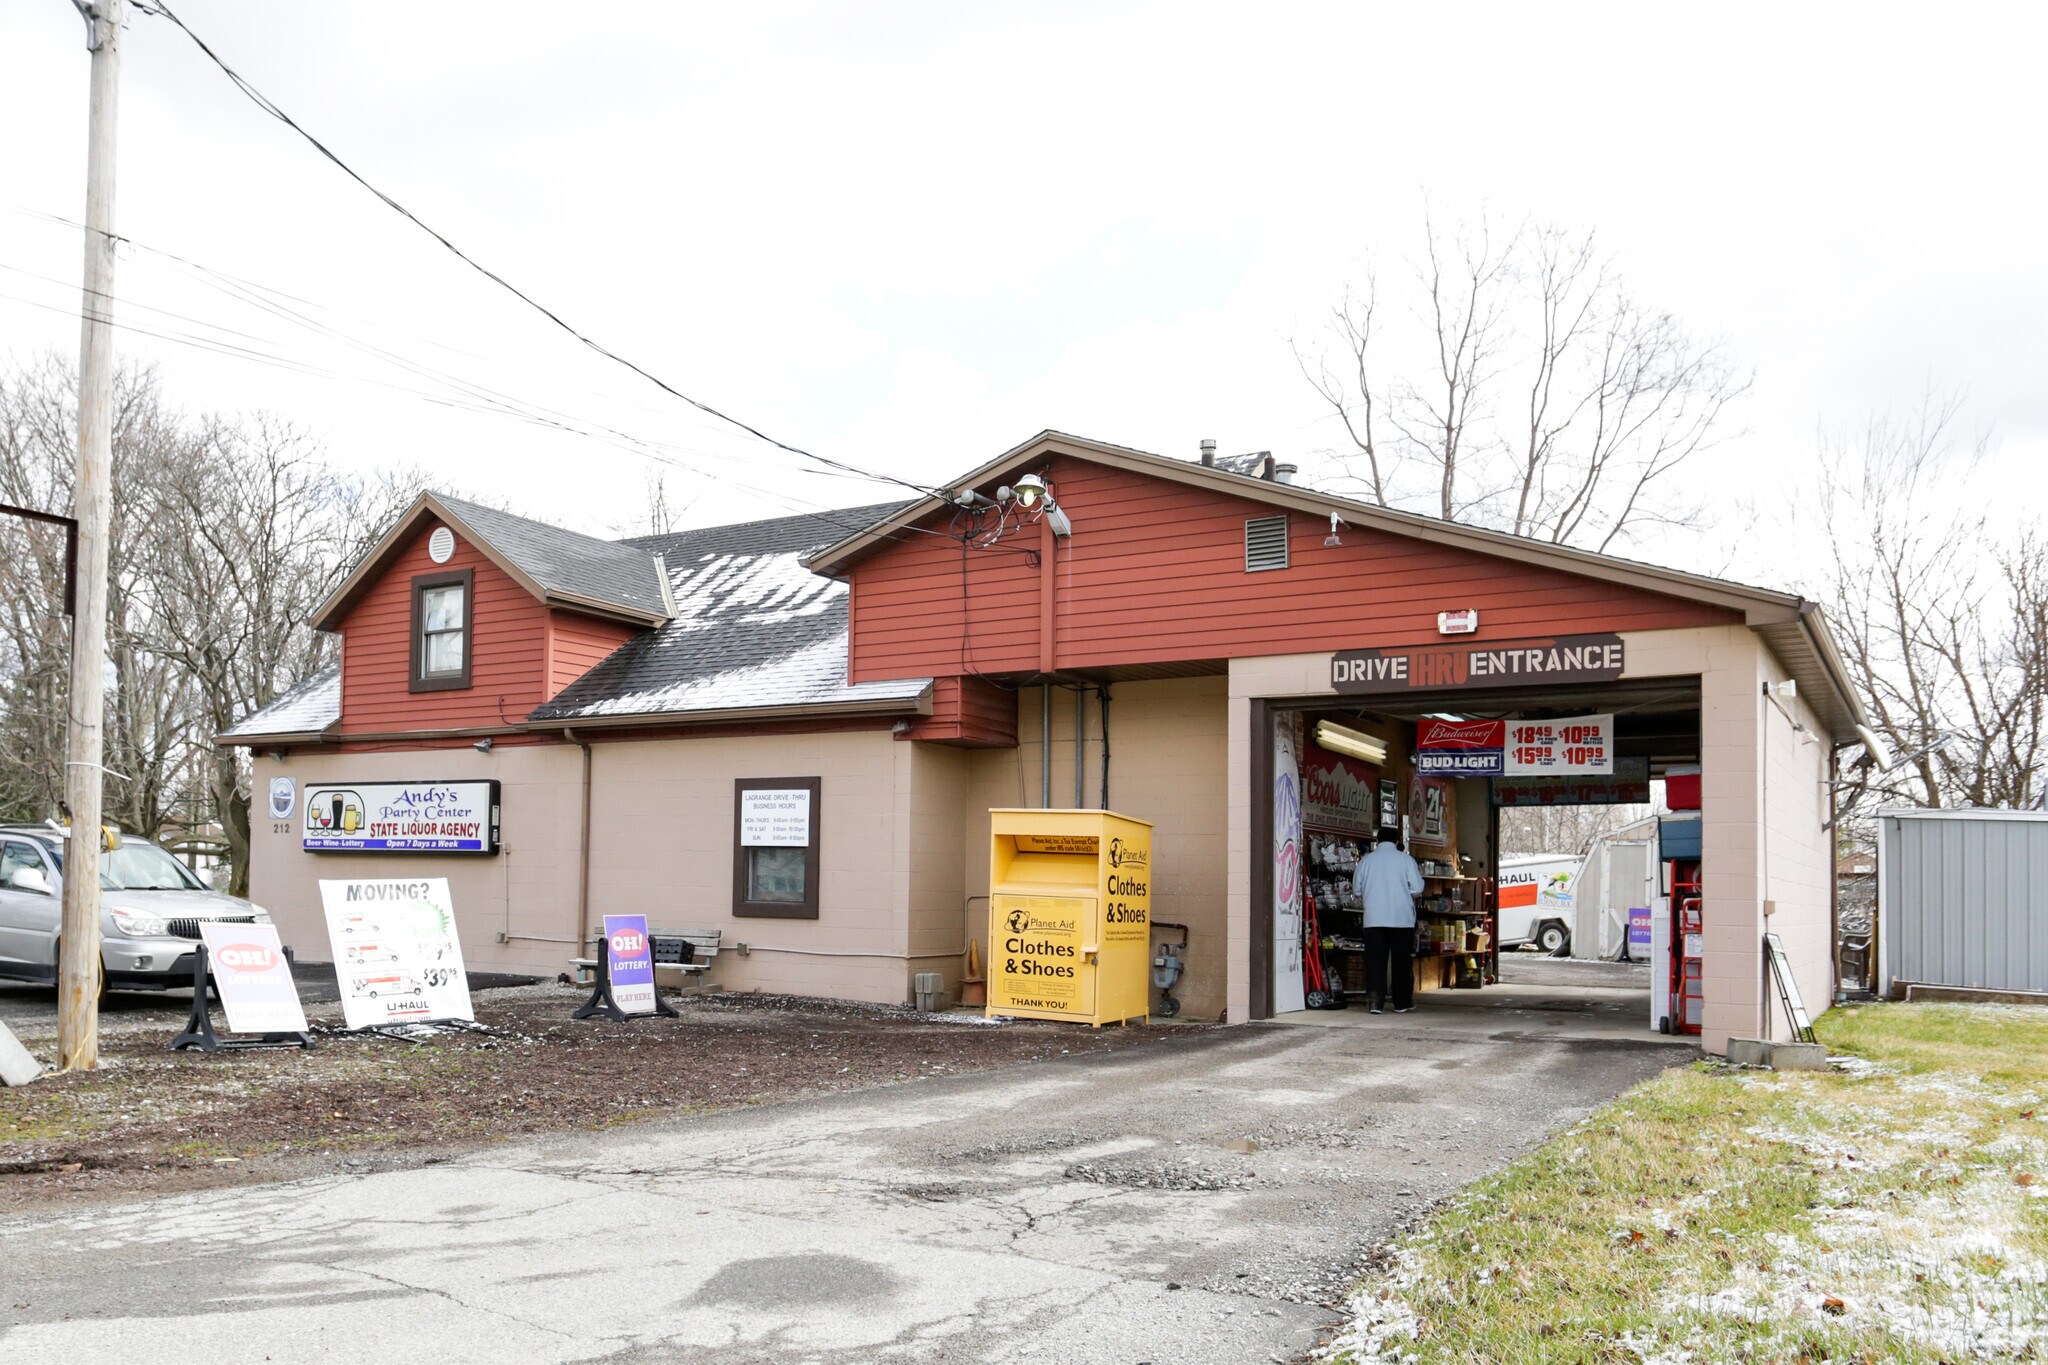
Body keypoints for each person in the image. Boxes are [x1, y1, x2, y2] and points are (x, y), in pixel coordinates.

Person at [1352, 825, 1424, 1013]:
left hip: (1374, 919)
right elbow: (1417, 889)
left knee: (1375, 961)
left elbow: (1357, 890)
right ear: (1397, 841)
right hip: (1401, 919)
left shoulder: (1366, 861)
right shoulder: (1406, 860)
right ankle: (1402, 1002)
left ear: (1377, 841)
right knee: (1401, 961)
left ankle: (1375, 1001)